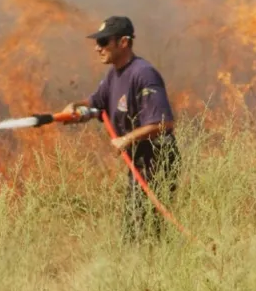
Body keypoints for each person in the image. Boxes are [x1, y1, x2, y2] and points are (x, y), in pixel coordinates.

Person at [61, 15, 181, 241]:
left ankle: (152, 269)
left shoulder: (143, 73)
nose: (98, 48)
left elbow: (164, 123)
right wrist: (76, 108)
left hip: (157, 159)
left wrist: (127, 139)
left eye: (104, 41)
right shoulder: (114, 75)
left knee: (145, 231)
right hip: (139, 162)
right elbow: (96, 103)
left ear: (123, 42)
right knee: (134, 228)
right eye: (97, 42)